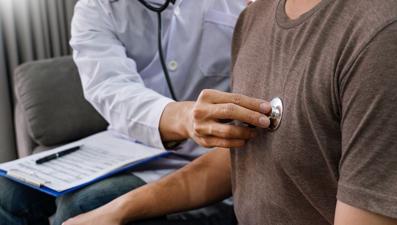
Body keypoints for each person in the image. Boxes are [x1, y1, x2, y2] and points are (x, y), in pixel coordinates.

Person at [64, 0, 397, 224]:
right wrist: (120, 210)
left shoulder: (378, 36)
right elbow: (243, 153)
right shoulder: (254, 19)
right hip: (172, 156)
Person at [0, 0, 275, 224]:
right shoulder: (96, 8)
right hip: (126, 146)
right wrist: (183, 118)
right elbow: (110, 90)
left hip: (210, 155)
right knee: (7, 192)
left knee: (85, 206)